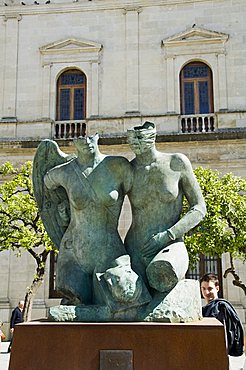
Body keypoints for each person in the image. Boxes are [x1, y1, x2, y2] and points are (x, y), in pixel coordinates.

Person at [36, 134, 133, 306]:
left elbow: (140, 199)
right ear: (74, 142)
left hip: (109, 251)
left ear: (97, 138)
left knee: (125, 292)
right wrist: (63, 207)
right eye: (81, 139)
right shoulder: (64, 171)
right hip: (75, 253)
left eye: (90, 138)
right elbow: (46, 183)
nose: (87, 142)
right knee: (76, 299)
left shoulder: (118, 166)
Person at [125, 121, 206, 295]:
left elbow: (199, 208)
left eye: (139, 139)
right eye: (132, 140)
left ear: (152, 137)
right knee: (126, 293)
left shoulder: (176, 162)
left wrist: (168, 235)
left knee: (161, 275)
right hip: (135, 249)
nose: (135, 144)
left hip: (170, 244)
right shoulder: (128, 170)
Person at [200, 273, 244, 357]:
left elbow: (227, 335)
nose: (206, 292)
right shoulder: (205, 309)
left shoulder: (221, 307)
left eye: (210, 288)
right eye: (203, 289)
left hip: (219, 354)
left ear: (217, 288)